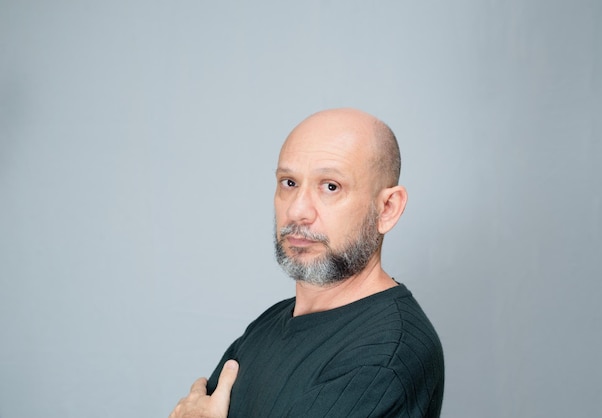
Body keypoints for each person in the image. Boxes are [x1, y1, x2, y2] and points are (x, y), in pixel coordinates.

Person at [169, 108, 444, 418]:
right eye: (289, 183)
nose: (298, 210)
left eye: (330, 186)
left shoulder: (385, 356)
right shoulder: (268, 326)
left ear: (387, 209)